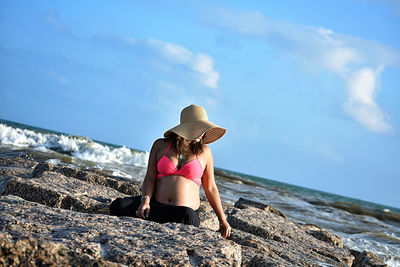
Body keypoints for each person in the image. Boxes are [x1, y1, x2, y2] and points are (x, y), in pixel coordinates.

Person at [110, 104, 231, 238]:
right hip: (156, 206)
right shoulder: (160, 145)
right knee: (118, 205)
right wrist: (145, 201)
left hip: (183, 213)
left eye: (204, 129)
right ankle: (150, 216)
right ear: (187, 127)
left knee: (188, 217)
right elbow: (150, 177)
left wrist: (222, 220)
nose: (202, 133)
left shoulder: (205, 152)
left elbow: (211, 187)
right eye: (199, 127)